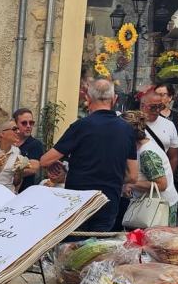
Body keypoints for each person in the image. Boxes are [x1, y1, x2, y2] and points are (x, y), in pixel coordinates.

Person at [40, 79, 138, 232]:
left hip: (79, 201)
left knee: (73, 249)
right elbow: (132, 176)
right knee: (96, 250)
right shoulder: (127, 130)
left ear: (88, 99)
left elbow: (45, 160)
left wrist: (60, 167)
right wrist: (111, 175)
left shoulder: (81, 126)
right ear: (114, 99)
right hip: (108, 199)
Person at [122, 112, 178, 226]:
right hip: (153, 206)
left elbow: (161, 185)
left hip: (158, 209)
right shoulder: (144, 146)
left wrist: (131, 184)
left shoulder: (147, 152)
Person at [141, 94, 178, 174]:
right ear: (142, 106)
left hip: (161, 178)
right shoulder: (131, 123)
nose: (157, 110)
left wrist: (168, 179)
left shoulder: (169, 125)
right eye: (153, 107)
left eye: (160, 107)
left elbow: (173, 157)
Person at [13, 108, 44, 192]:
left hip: (24, 192)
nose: (28, 126)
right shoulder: (9, 142)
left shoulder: (35, 144)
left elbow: (33, 168)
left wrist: (8, 171)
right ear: (15, 125)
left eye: (31, 123)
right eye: (24, 123)